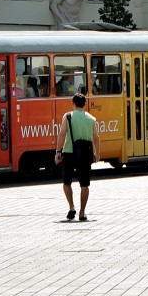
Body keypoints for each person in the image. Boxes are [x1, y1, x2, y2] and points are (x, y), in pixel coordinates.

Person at [54, 93, 100, 222]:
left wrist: (58, 151)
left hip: (69, 153)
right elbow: (96, 137)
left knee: (66, 182)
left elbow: (62, 134)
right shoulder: (91, 119)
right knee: (84, 185)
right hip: (85, 154)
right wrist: (97, 154)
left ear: (73, 104)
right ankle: (82, 212)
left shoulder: (68, 116)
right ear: (84, 104)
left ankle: (71, 207)